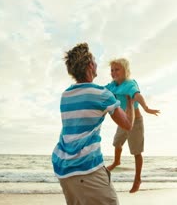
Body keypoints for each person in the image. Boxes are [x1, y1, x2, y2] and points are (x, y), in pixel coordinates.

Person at [52, 43, 135, 205]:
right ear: (90, 65)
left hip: (63, 169)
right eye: (95, 60)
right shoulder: (102, 94)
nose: (96, 64)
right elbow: (127, 125)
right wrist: (130, 100)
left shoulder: (66, 94)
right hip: (86, 168)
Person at [105, 58, 160, 193]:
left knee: (136, 152)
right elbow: (100, 91)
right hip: (123, 120)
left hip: (136, 122)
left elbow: (137, 95)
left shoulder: (129, 84)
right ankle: (117, 162)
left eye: (117, 69)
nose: (113, 72)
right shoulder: (112, 86)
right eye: (112, 70)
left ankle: (137, 178)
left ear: (126, 71)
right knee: (117, 143)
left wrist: (146, 108)